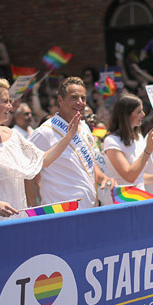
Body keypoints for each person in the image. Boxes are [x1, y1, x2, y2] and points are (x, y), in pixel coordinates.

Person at [0, 77, 80, 269]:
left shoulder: (12, 135)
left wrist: (68, 137)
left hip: (18, 225)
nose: (10, 106)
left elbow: (43, 160)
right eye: (5, 101)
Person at [27, 77, 117, 209]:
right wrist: (33, 208)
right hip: (61, 210)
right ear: (60, 100)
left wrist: (102, 178)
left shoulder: (84, 127)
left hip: (88, 206)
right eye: (74, 98)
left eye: (83, 98)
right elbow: (27, 173)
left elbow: (86, 164)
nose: (80, 102)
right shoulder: (44, 132)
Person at [102, 93, 153, 205]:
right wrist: (147, 150)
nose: (143, 115)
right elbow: (129, 176)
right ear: (127, 115)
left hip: (139, 199)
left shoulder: (138, 138)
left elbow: (138, 177)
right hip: (121, 202)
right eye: (139, 112)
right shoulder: (111, 141)